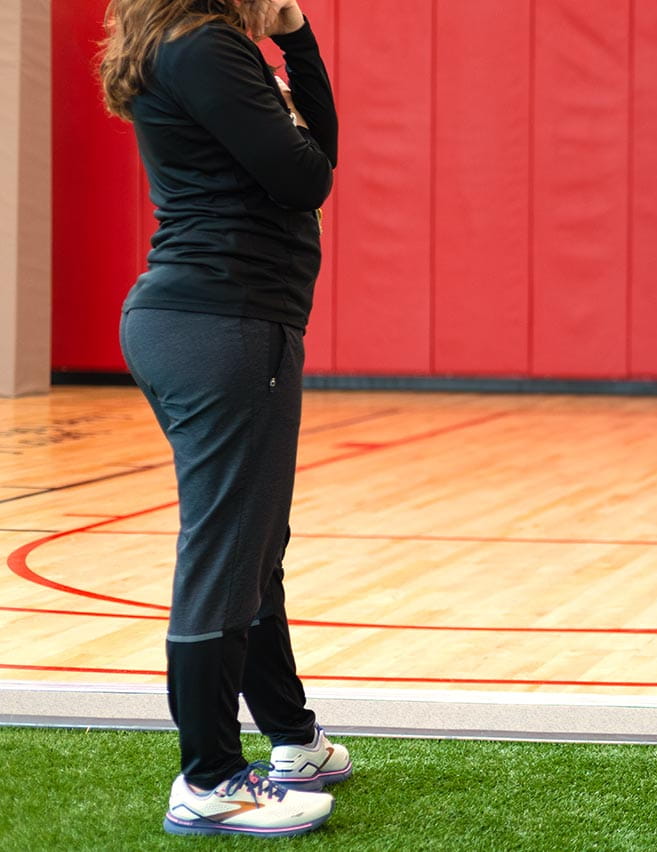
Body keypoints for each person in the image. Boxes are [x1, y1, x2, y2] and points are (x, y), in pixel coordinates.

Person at [97, 0, 351, 836]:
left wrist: (296, 40)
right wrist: (294, 43)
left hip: (214, 323)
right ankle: (208, 778)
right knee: (225, 549)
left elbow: (314, 162)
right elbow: (308, 177)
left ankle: (292, 739)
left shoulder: (188, 45)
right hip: (224, 326)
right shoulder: (205, 46)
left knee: (250, 541)